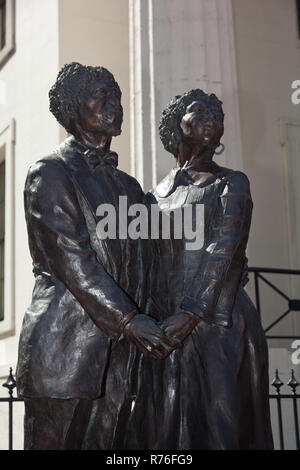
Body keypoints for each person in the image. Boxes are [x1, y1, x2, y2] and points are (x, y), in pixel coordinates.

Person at [16, 62, 178, 450]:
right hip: (64, 349)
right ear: (72, 108)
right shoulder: (50, 173)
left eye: (117, 95)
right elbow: (72, 261)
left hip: (121, 355)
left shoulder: (129, 186)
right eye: (100, 94)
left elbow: (153, 256)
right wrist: (129, 320)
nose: (114, 103)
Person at [120, 89, 274, 450]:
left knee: (221, 430)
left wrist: (190, 314)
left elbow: (224, 250)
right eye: (200, 109)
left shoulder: (231, 182)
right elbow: (143, 263)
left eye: (218, 115)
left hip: (218, 326)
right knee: (166, 434)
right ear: (177, 121)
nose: (212, 117)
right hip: (166, 329)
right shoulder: (151, 197)